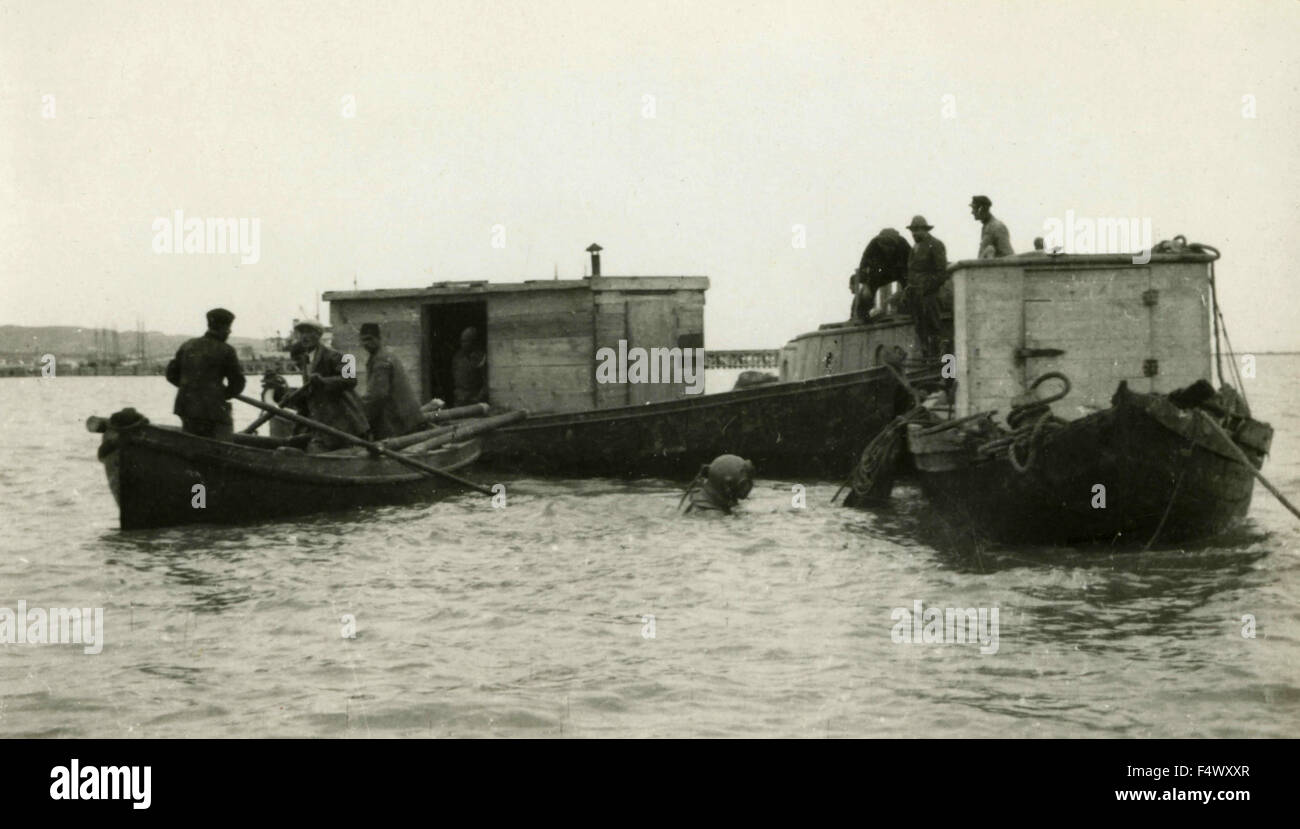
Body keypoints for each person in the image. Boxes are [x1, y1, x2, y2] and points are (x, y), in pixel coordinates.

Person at [165, 308, 245, 441]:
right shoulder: (227, 350)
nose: (230, 331)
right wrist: (220, 394)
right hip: (213, 409)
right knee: (221, 446)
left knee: (190, 442)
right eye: (229, 327)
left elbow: (171, 374)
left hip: (186, 406)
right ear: (224, 328)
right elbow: (237, 383)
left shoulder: (188, 345)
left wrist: (190, 387)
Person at [292, 319, 371, 451]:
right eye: (301, 333)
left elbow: (351, 379)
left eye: (308, 332)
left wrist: (323, 381)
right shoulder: (305, 359)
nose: (304, 336)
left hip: (341, 420)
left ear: (318, 335)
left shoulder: (336, 355)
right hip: (321, 420)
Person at [358, 323, 424, 439]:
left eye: (369, 339)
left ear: (378, 339)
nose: (366, 344)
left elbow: (377, 395)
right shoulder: (384, 356)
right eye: (363, 340)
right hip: (406, 417)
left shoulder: (382, 361)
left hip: (398, 421)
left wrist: (360, 417)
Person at [904, 215, 949, 358]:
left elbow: (941, 273)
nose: (915, 233)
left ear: (925, 230)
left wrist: (926, 287)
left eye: (918, 230)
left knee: (935, 328)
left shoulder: (935, 245)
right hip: (915, 295)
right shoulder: (914, 249)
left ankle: (940, 359)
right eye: (913, 230)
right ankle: (926, 356)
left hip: (931, 295)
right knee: (919, 328)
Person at [850, 227, 911, 322]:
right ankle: (863, 316)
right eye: (884, 246)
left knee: (910, 289)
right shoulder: (873, 244)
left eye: (890, 246)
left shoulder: (903, 244)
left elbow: (913, 264)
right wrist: (866, 285)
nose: (887, 249)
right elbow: (863, 265)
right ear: (879, 243)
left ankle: (909, 310)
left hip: (900, 271)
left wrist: (908, 288)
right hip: (880, 272)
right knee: (866, 293)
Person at [451, 327, 487, 406]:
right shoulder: (457, 357)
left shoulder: (479, 357)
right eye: (462, 341)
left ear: (473, 342)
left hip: (474, 398)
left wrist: (478, 398)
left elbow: (486, 381)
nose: (463, 344)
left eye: (466, 341)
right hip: (459, 398)